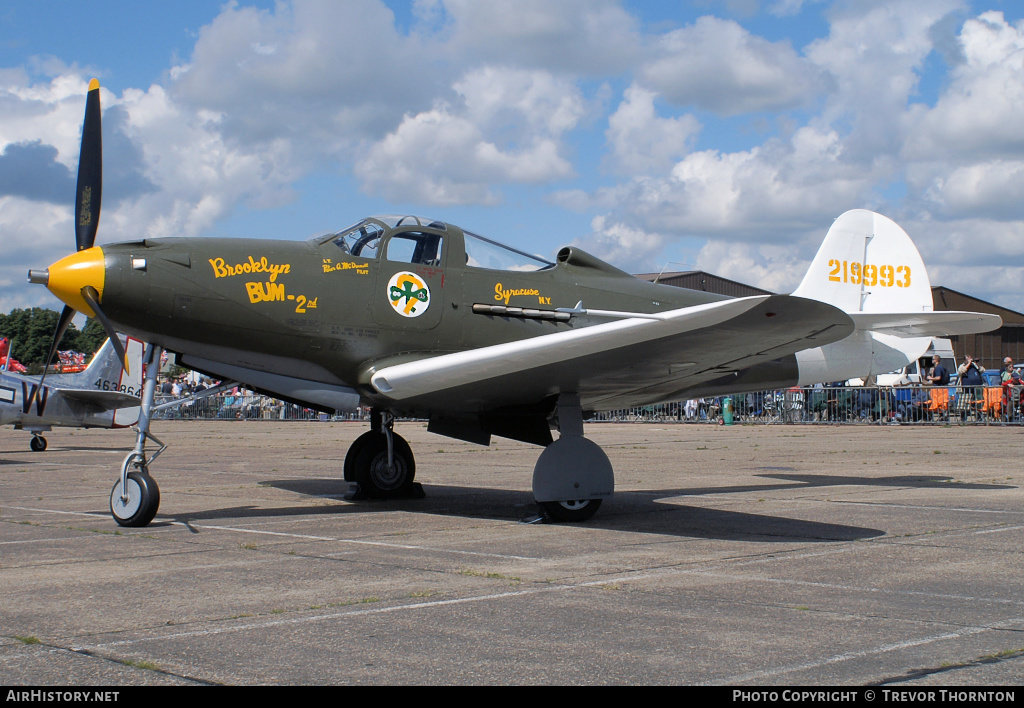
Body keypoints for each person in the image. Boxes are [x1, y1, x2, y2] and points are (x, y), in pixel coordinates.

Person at [956, 355, 985, 420]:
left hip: (977, 388)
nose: (970, 359)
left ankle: (979, 418)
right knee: (964, 404)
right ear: (965, 360)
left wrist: (977, 364)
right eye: (968, 359)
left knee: (978, 403)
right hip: (966, 388)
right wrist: (968, 363)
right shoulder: (962, 366)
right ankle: (963, 419)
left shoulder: (975, 365)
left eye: (970, 358)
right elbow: (961, 371)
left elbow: (982, 370)